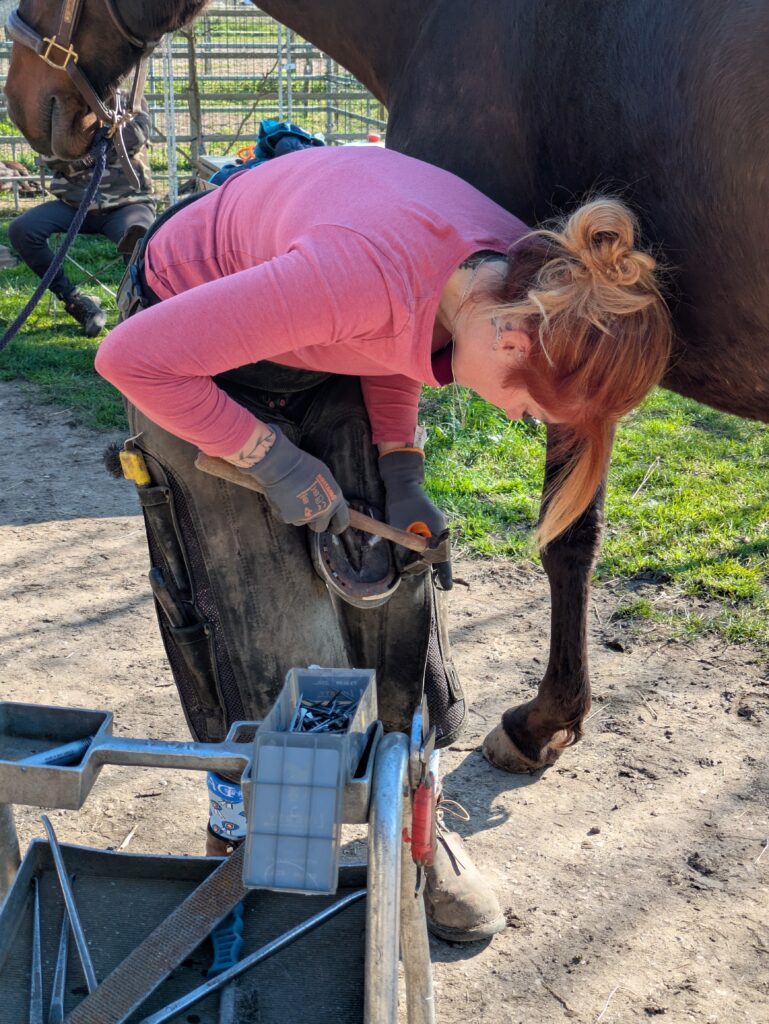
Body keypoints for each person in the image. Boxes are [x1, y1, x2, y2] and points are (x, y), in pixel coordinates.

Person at [95, 145, 671, 942]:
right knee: (258, 616)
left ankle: (412, 826)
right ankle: (244, 843)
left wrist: (401, 466)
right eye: (529, 410)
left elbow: (398, 331)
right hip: (183, 340)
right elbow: (133, 359)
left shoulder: (513, 273)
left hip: (311, 319)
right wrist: (267, 457)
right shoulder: (362, 277)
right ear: (509, 342)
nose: (518, 422)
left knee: (394, 589)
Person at [7, 106, 155, 337]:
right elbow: (52, 156)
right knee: (22, 229)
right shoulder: (59, 104)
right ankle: (76, 302)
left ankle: (135, 311)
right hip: (74, 205)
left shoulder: (124, 95)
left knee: (142, 238)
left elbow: (136, 135)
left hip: (127, 204)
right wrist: (104, 144)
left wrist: (79, 149)